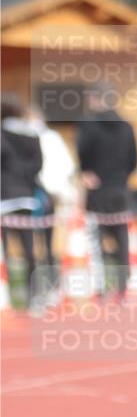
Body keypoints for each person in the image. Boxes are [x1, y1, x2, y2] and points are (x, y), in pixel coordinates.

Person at [76, 84, 137, 298]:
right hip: (120, 188)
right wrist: (121, 178)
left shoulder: (88, 125)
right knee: (122, 238)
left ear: (97, 99)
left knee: (96, 238)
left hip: (97, 189)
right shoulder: (127, 126)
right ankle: (123, 285)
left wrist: (86, 172)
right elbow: (133, 160)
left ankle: (100, 286)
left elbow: (83, 154)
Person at [28, 104, 78, 297]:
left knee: (46, 245)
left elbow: (63, 166)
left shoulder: (50, 138)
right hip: (36, 194)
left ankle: (50, 285)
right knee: (35, 245)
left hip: (45, 195)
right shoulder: (41, 138)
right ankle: (39, 287)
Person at [1, 93, 43, 307]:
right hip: (26, 195)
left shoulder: (1, 134)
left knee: (4, 250)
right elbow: (38, 165)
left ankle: (5, 295)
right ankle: (34, 296)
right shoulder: (32, 134)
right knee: (29, 250)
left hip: (4, 197)